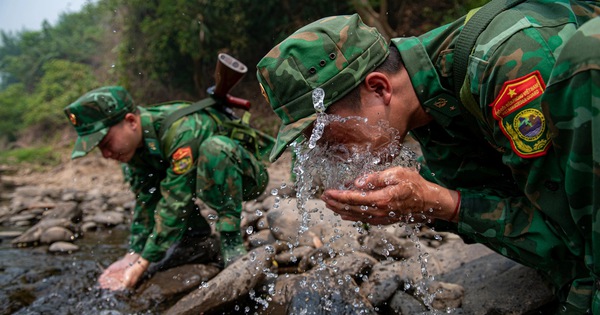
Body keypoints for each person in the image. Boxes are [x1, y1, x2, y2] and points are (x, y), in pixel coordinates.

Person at [255, 2, 600, 313]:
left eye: (326, 135)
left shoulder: (509, 67)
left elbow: (577, 247)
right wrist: (424, 205)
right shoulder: (429, 107)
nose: (329, 154)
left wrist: (441, 203)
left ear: (379, 87)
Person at [63, 86, 270, 290]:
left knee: (214, 149)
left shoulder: (182, 129)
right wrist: (132, 255)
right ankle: (195, 238)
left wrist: (143, 264)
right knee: (154, 181)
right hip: (197, 180)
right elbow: (147, 201)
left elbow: (175, 200)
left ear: (131, 121)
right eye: (100, 149)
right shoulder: (136, 150)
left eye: (107, 143)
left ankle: (230, 237)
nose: (106, 155)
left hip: (246, 176)